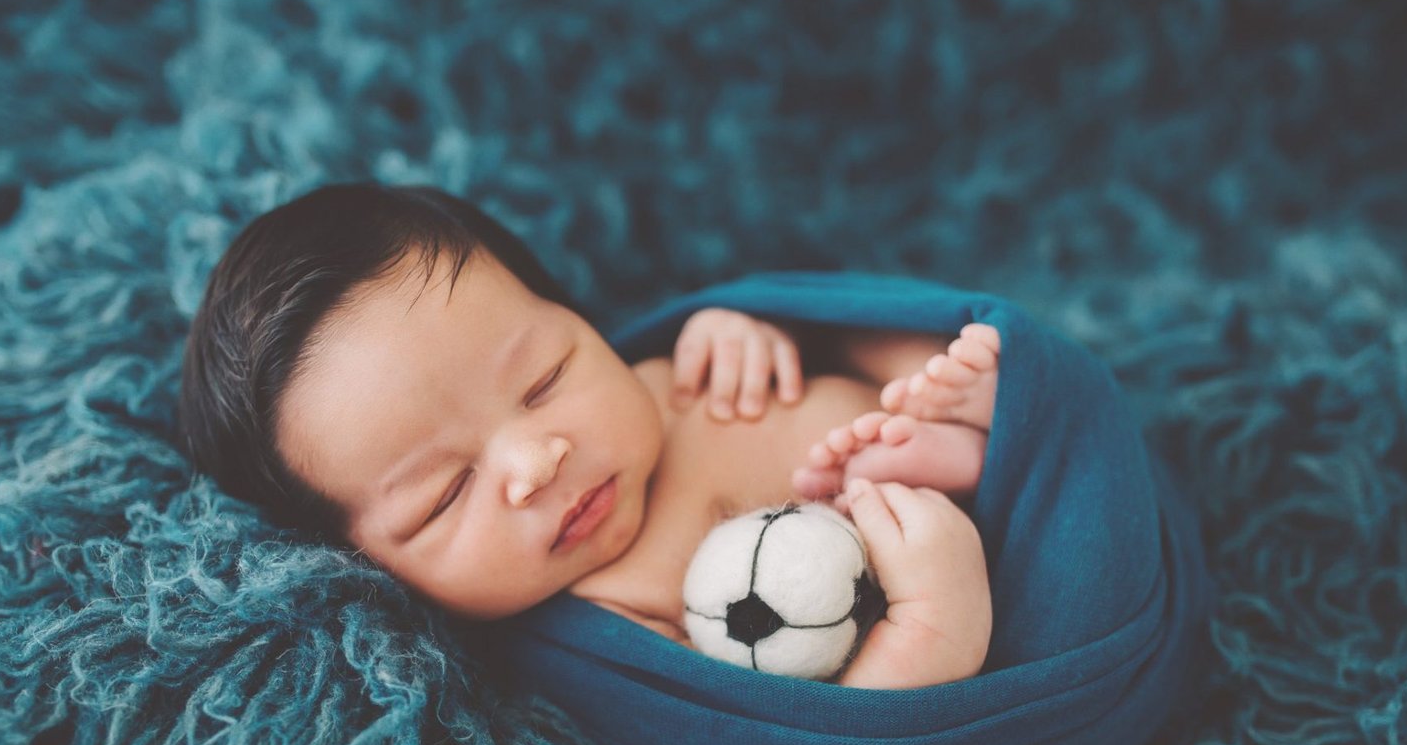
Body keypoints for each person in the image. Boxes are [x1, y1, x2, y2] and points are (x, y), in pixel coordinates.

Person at [177, 183, 995, 689]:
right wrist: (928, 636)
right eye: (445, 495)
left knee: (896, 341)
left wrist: (753, 331)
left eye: (545, 379)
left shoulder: (668, 372)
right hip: (937, 591)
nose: (536, 463)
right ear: (363, 564)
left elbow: (808, 314)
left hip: (937, 438)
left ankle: (965, 414)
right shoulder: (604, 625)